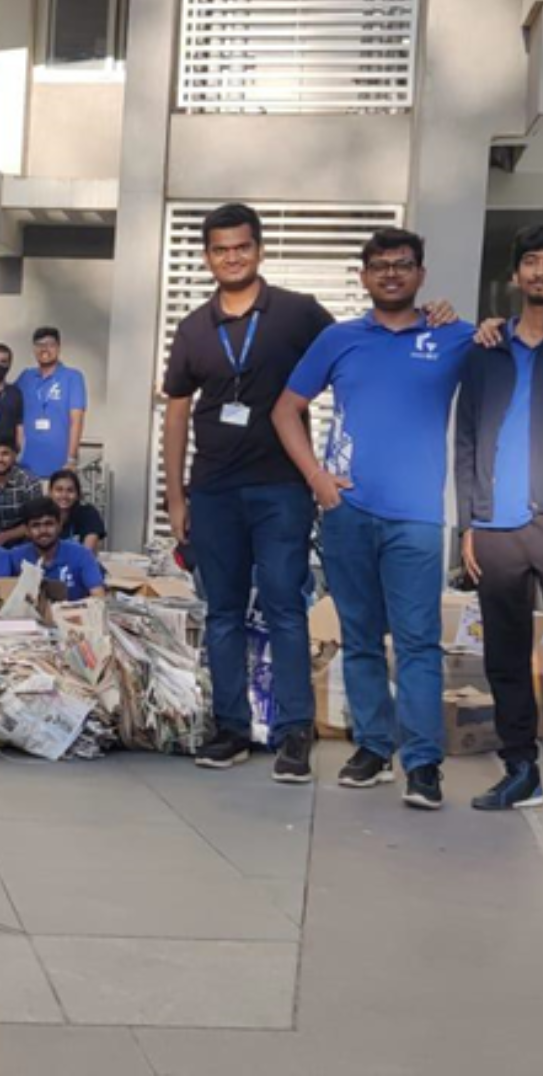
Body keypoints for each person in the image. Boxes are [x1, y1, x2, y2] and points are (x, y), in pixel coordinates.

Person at [272, 227, 474, 810]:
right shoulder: (339, 339)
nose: (391, 273)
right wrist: (316, 477)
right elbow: (287, 410)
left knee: (417, 644)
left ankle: (423, 764)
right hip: (348, 511)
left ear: (421, 274)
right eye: (380, 265)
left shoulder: (451, 335)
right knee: (359, 640)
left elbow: (515, 340)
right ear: (363, 276)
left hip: (415, 518)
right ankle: (373, 748)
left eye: (403, 264)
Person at [164, 202, 336, 778]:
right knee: (223, 613)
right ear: (207, 256)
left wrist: (428, 318)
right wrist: (176, 497)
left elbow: (358, 355)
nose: (231, 257)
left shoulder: (297, 313)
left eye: (241, 246)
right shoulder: (192, 329)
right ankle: (230, 729)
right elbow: (176, 415)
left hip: (282, 487)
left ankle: (294, 733)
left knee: (287, 607)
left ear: (258, 249)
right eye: (220, 249)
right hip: (213, 491)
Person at [456, 224, 543, 837]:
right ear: (516, 275)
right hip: (495, 527)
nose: (540, 271)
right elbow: (464, 439)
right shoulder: (485, 348)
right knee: (506, 656)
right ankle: (522, 770)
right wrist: (467, 523)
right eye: (531, 261)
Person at [16, 326, 87, 478]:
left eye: (50, 344)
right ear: (34, 349)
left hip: (60, 466)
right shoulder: (25, 377)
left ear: (58, 347)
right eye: (40, 345)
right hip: (27, 467)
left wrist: (71, 459)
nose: (45, 349)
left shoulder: (72, 377)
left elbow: (77, 420)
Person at [10, 497, 105, 600]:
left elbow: (99, 598)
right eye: (36, 525)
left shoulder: (81, 555)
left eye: (49, 524)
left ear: (60, 525)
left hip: (74, 614)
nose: (43, 531)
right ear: (27, 531)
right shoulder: (15, 557)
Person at [49, 469, 106, 552]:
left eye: (70, 490)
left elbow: (87, 554)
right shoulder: (41, 515)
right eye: (59, 490)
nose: (64, 495)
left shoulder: (88, 514)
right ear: (50, 493)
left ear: (78, 494)